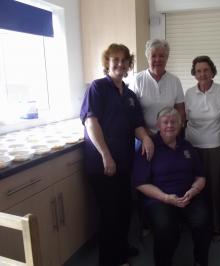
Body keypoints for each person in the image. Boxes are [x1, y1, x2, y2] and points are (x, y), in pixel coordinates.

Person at [80, 43, 154, 266]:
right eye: (115, 60)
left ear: (129, 64)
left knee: (124, 209)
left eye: (124, 60)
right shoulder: (98, 87)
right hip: (103, 164)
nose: (120, 64)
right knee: (110, 214)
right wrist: (106, 155)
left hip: (124, 163)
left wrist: (147, 138)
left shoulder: (129, 95)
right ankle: (110, 260)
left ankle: (121, 248)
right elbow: (91, 122)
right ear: (107, 63)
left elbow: (136, 125)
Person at [132, 107, 211, 266]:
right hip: (159, 198)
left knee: (203, 222)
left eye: (174, 122)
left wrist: (194, 190)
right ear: (158, 125)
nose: (170, 125)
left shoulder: (187, 146)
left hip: (189, 195)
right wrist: (166, 198)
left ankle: (200, 260)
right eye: (165, 122)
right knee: (166, 228)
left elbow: (200, 176)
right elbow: (140, 183)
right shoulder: (149, 147)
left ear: (181, 124)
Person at [185, 55, 220, 242]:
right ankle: (195, 225)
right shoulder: (188, 93)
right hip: (192, 145)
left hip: (216, 145)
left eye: (206, 70)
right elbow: (183, 120)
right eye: (198, 71)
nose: (202, 74)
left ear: (212, 71)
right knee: (193, 187)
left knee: (213, 188)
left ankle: (216, 226)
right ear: (194, 74)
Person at [132, 39, 186, 135]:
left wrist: (175, 133)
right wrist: (146, 135)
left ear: (167, 58)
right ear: (148, 58)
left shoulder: (175, 80)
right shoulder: (138, 79)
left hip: (169, 135)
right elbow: (132, 113)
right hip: (144, 135)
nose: (158, 59)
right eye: (153, 56)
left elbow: (180, 111)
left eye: (162, 56)